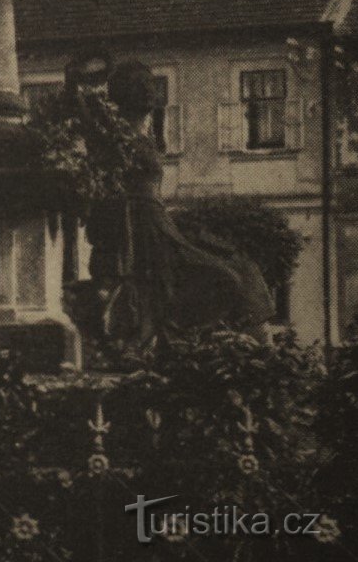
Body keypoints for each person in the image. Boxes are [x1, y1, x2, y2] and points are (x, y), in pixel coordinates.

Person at [85, 59, 274, 356]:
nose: (151, 97)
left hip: (157, 221)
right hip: (143, 229)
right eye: (144, 91)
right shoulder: (116, 140)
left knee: (237, 268)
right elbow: (107, 190)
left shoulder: (135, 137)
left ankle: (259, 347)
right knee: (228, 274)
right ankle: (259, 350)